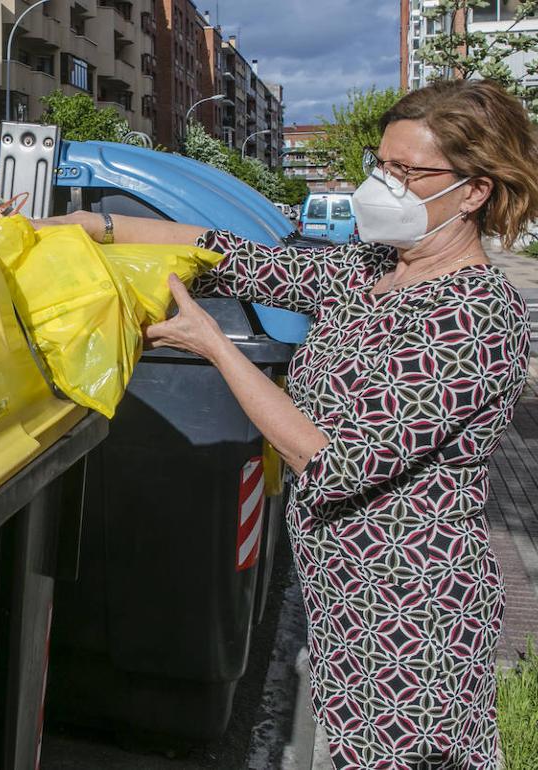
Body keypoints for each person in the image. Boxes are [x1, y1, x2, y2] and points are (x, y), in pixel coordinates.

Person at [38, 79, 538, 768]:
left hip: (411, 608)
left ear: (475, 191)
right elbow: (239, 258)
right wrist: (101, 227)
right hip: (344, 590)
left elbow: (334, 463)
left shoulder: (474, 316)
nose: (384, 186)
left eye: (408, 172)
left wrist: (215, 346)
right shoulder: (374, 272)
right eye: (381, 165)